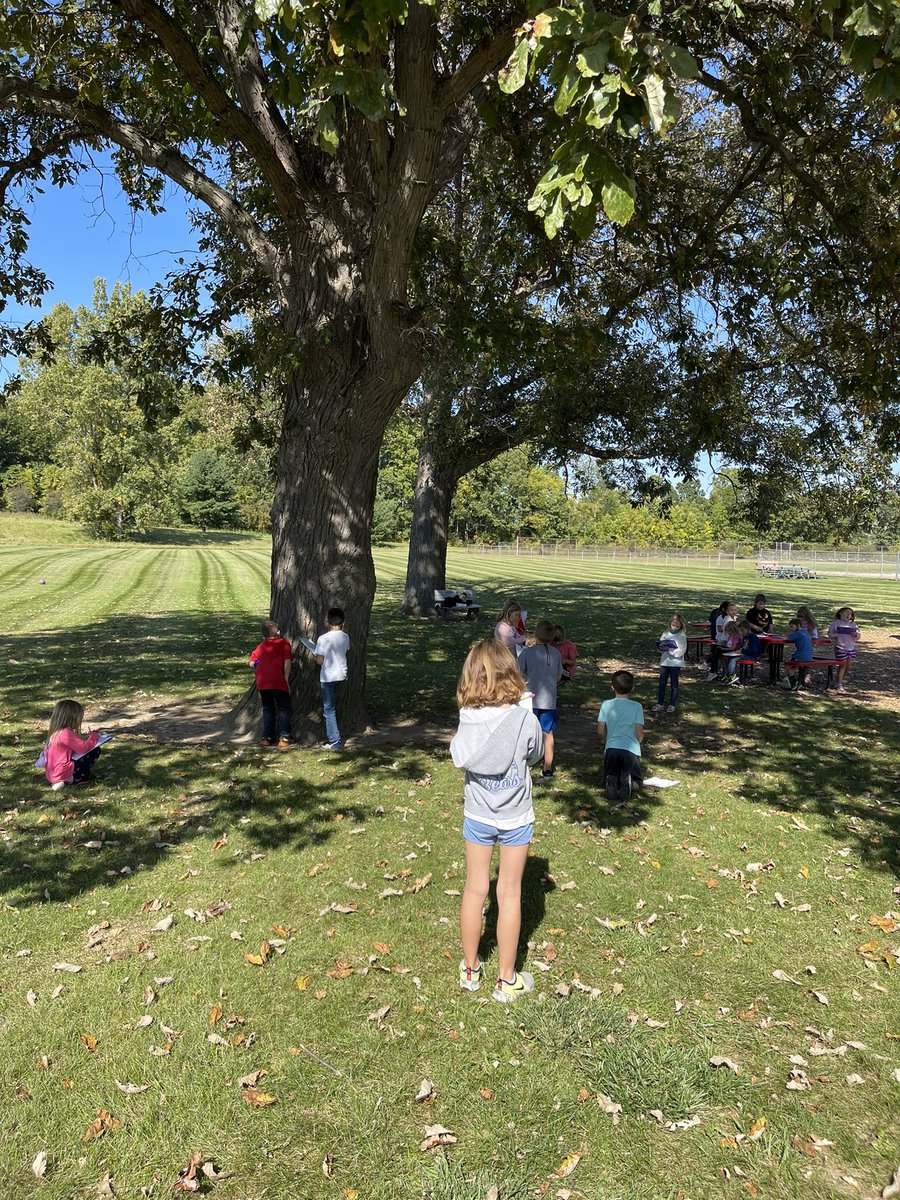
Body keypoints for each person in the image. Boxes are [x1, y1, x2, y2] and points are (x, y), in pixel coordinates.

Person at [450, 639, 543, 1003]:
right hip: (516, 815)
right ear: (511, 673)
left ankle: (470, 968)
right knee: (509, 892)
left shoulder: (467, 719)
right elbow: (534, 755)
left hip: (477, 813)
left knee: (476, 888)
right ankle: (506, 980)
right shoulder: (525, 718)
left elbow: (459, 754)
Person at [518, 619, 563, 782]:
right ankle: (548, 768)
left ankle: (523, 765)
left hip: (528, 700)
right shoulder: (556, 654)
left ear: (535, 634)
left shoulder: (526, 653)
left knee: (525, 733)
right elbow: (559, 677)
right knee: (547, 733)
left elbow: (518, 674)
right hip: (549, 701)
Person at [597, 670, 644, 803]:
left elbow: (600, 730)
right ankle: (629, 783)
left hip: (611, 748)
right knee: (638, 782)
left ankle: (612, 782)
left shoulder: (606, 704)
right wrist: (639, 740)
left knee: (611, 773)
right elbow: (639, 731)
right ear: (633, 688)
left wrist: (604, 740)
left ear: (612, 687)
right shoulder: (637, 706)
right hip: (630, 750)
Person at [249, 619, 293, 748]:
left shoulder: (261, 646)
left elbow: (251, 663)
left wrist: (258, 663)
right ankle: (284, 737)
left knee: (268, 709)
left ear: (264, 635)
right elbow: (287, 662)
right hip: (278, 681)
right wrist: (286, 679)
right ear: (278, 632)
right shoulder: (284, 644)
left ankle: (267, 738)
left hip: (263, 682)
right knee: (284, 708)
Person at [311, 607, 350, 749]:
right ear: (343, 622)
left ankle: (335, 740)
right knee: (333, 706)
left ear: (327, 621)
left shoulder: (323, 639)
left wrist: (314, 655)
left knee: (329, 710)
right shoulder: (345, 637)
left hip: (328, 677)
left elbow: (320, 661)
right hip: (341, 674)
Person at [43, 700, 103, 791]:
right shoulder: (66, 733)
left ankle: (61, 781)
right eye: (80, 719)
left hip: (52, 773)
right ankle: (77, 778)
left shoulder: (56, 732)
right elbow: (83, 748)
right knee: (95, 750)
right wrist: (94, 738)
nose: (80, 721)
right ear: (72, 718)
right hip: (63, 771)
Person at [652, 613, 686, 713]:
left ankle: (672, 704)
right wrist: (661, 648)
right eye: (673, 625)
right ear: (670, 624)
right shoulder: (665, 634)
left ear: (680, 626)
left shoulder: (681, 636)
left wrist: (671, 651)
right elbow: (661, 646)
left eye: (677, 626)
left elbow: (682, 650)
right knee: (662, 683)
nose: (674, 627)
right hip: (665, 662)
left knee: (674, 684)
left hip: (675, 663)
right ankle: (660, 703)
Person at [828, 606, 861, 694]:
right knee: (842, 664)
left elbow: (858, 635)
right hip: (840, 647)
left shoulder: (853, 624)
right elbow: (830, 634)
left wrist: (855, 635)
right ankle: (839, 684)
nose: (848, 615)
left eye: (850, 613)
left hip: (851, 647)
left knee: (848, 666)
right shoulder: (836, 623)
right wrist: (835, 634)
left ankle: (839, 681)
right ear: (840, 613)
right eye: (846, 612)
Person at [785, 617, 813, 688]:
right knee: (794, 667)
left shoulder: (797, 633)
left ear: (798, 625)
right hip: (809, 656)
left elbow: (787, 638)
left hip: (800, 656)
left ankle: (793, 682)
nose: (791, 628)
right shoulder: (805, 632)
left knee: (788, 666)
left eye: (792, 626)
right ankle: (797, 680)